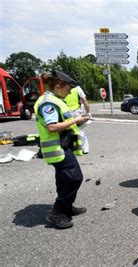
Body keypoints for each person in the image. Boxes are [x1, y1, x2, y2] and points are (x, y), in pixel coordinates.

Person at [34, 70, 89, 229]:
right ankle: (57, 212)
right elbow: (52, 127)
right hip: (56, 148)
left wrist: (76, 122)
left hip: (62, 145)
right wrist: (76, 120)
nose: (70, 91)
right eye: (68, 89)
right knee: (74, 178)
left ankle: (66, 207)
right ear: (58, 86)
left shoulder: (55, 99)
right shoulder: (48, 103)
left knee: (64, 178)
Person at [65, 85, 91, 154]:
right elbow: (84, 100)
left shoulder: (63, 87)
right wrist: (87, 112)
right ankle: (85, 149)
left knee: (67, 131)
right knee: (79, 130)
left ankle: (70, 148)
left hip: (66, 113)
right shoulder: (77, 88)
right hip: (76, 113)